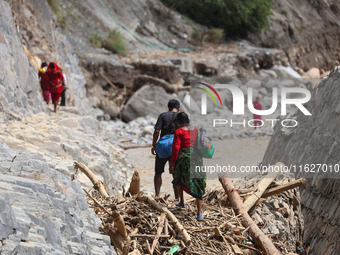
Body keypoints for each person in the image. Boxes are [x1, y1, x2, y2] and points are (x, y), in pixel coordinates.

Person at [170, 112, 206, 221]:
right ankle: (199, 212)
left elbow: (176, 148)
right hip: (197, 158)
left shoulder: (179, 131)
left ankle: (182, 201)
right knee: (197, 182)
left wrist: (172, 162)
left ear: (178, 122)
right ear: (188, 121)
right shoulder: (195, 129)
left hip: (185, 158)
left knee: (179, 179)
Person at [151, 99, 180, 199]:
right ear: (178, 108)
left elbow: (157, 131)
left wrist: (154, 145)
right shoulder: (182, 117)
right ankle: (177, 198)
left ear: (168, 107)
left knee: (158, 172)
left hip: (163, 147)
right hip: (176, 147)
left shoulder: (163, 115)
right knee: (176, 173)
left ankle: (157, 194)